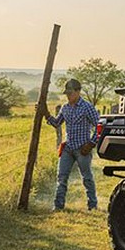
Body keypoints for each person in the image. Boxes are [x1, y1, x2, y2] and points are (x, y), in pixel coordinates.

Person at [42, 78, 99, 211]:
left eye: (71, 93)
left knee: (87, 178)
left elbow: (99, 126)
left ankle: (92, 205)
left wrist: (91, 143)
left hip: (82, 148)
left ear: (78, 91)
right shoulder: (65, 108)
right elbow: (57, 123)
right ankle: (58, 206)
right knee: (61, 177)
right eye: (67, 93)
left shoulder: (87, 107)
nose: (68, 96)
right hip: (68, 148)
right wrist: (46, 115)